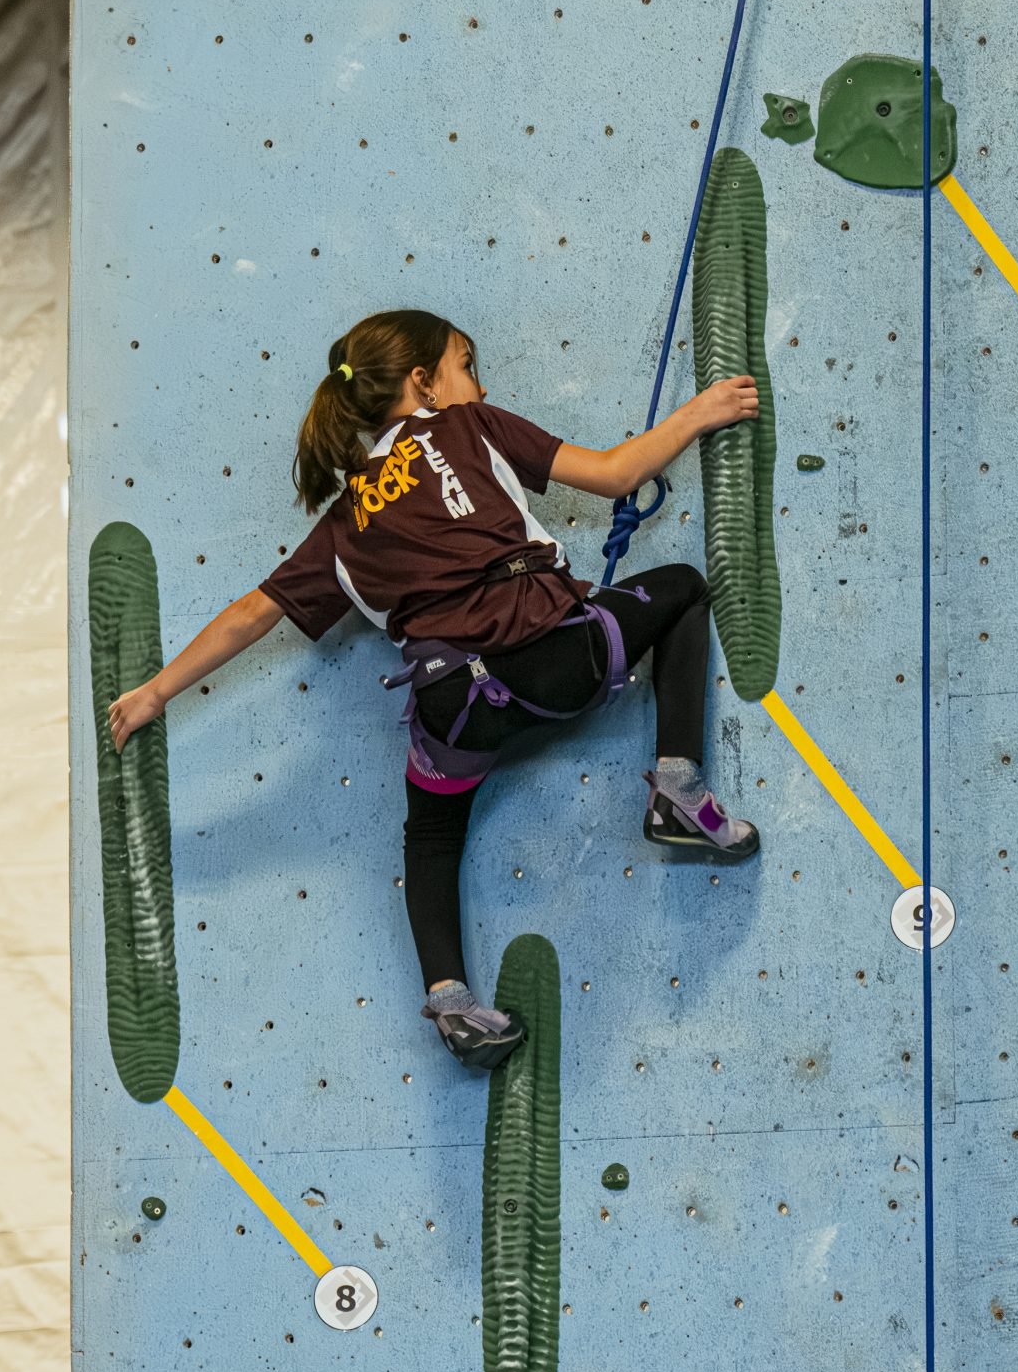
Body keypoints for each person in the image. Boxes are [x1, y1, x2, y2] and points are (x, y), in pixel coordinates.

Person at [108, 308, 761, 1071]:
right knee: (681, 586)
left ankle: (451, 1003)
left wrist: (155, 693)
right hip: (554, 660)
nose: (478, 383)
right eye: (465, 364)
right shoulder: (467, 426)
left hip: (454, 709)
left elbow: (251, 614)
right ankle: (676, 788)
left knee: (430, 835)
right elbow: (616, 474)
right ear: (423, 383)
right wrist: (701, 410)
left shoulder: (344, 520)